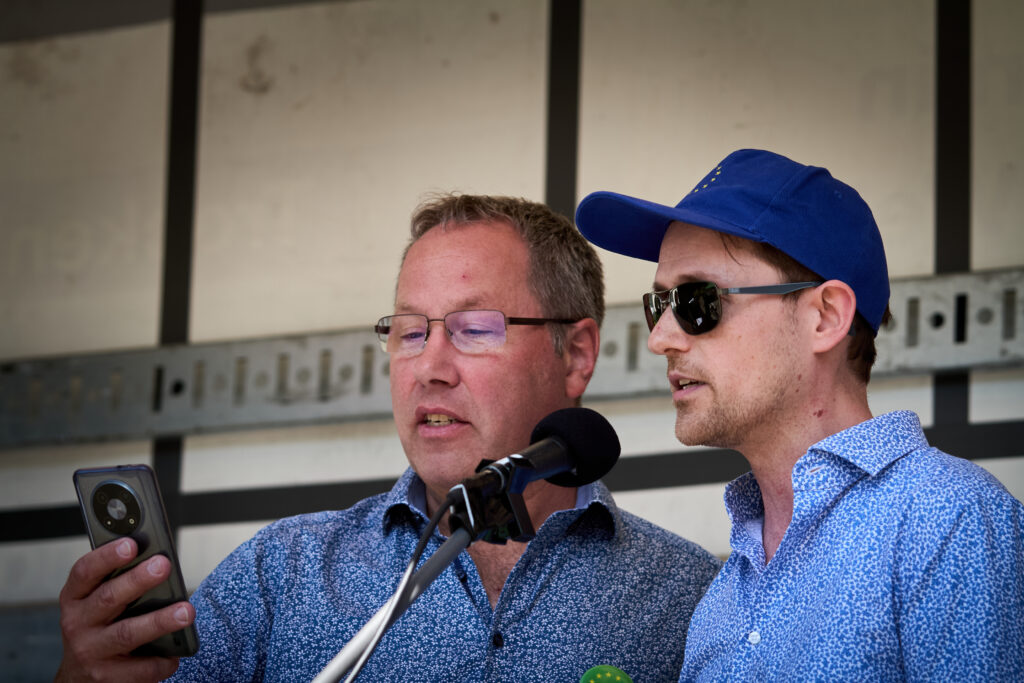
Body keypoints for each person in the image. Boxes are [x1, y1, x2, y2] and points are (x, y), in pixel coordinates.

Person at [57, 193, 721, 682]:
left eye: (474, 328)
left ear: (575, 355)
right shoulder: (281, 574)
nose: (429, 367)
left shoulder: (687, 596)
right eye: (409, 331)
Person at [575, 149, 1024, 681]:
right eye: (660, 305)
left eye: (697, 301)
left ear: (826, 317)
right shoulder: (721, 598)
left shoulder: (948, 520)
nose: (660, 338)